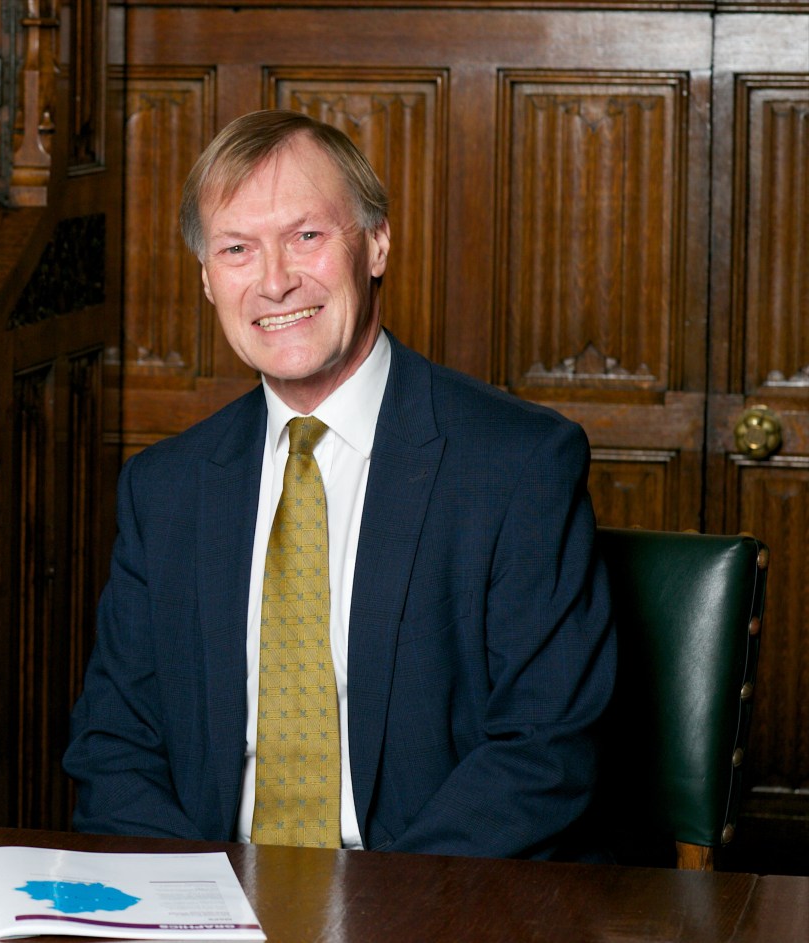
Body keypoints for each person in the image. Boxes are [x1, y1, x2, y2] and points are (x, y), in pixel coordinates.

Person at [64, 109, 616, 859]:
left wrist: (378, 919)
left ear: (377, 242)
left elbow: (544, 750)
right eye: (236, 248)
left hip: (434, 911)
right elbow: (113, 748)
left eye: (307, 236)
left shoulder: (517, 465)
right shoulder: (164, 490)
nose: (275, 280)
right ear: (205, 277)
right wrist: (199, 911)